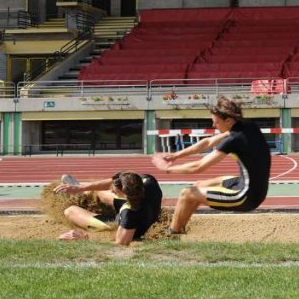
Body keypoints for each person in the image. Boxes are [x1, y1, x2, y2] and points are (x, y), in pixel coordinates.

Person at [151, 96, 271, 234]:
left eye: (216, 122)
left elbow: (199, 166)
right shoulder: (248, 126)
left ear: (229, 120)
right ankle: (180, 228)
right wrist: (175, 156)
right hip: (254, 188)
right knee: (198, 185)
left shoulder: (234, 139)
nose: (214, 126)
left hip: (245, 196)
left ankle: (172, 233)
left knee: (187, 193)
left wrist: (167, 168)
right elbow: (208, 143)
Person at [54, 171, 163, 246]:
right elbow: (115, 182)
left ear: (123, 192)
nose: (111, 189)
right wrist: (82, 187)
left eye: (114, 189)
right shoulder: (148, 181)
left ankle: (86, 196)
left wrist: (83, 240)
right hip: (147, 209)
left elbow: (120, 245)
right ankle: (82, 190)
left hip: (132, 226)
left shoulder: (128, 214)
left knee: (70, 211)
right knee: (99, 192)